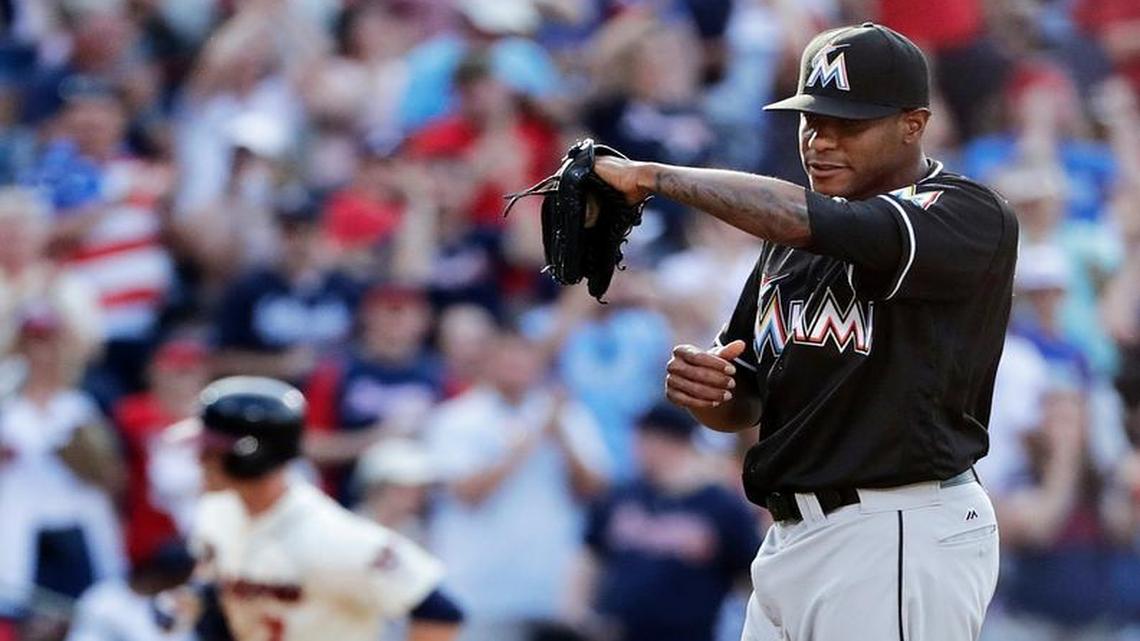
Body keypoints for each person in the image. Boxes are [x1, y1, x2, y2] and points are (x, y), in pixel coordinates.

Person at [589, 23, 1016, 641]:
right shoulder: (789, 242)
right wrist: (716, 390)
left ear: (913, 124)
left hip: (896, 526)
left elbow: (803, 218)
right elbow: (751, 396)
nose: (820, 141)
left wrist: (649, 177)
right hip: (793, 534)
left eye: (848, 124)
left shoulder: (964, 212)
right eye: (811, 120)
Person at [158, 376, 463, 641]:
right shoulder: (216, 512)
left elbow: (440, 610)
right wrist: (191, 600)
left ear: (250, 455)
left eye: (211, 451)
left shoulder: (328, 534)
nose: (199, 461)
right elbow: (217, 586)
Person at [568, 403, 760, 641]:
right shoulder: (621, 496)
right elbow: (590, 557)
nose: (638, 447)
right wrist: (578, 616)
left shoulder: (722, 506)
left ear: (673, 443)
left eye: (647, 438)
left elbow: (751, 576)